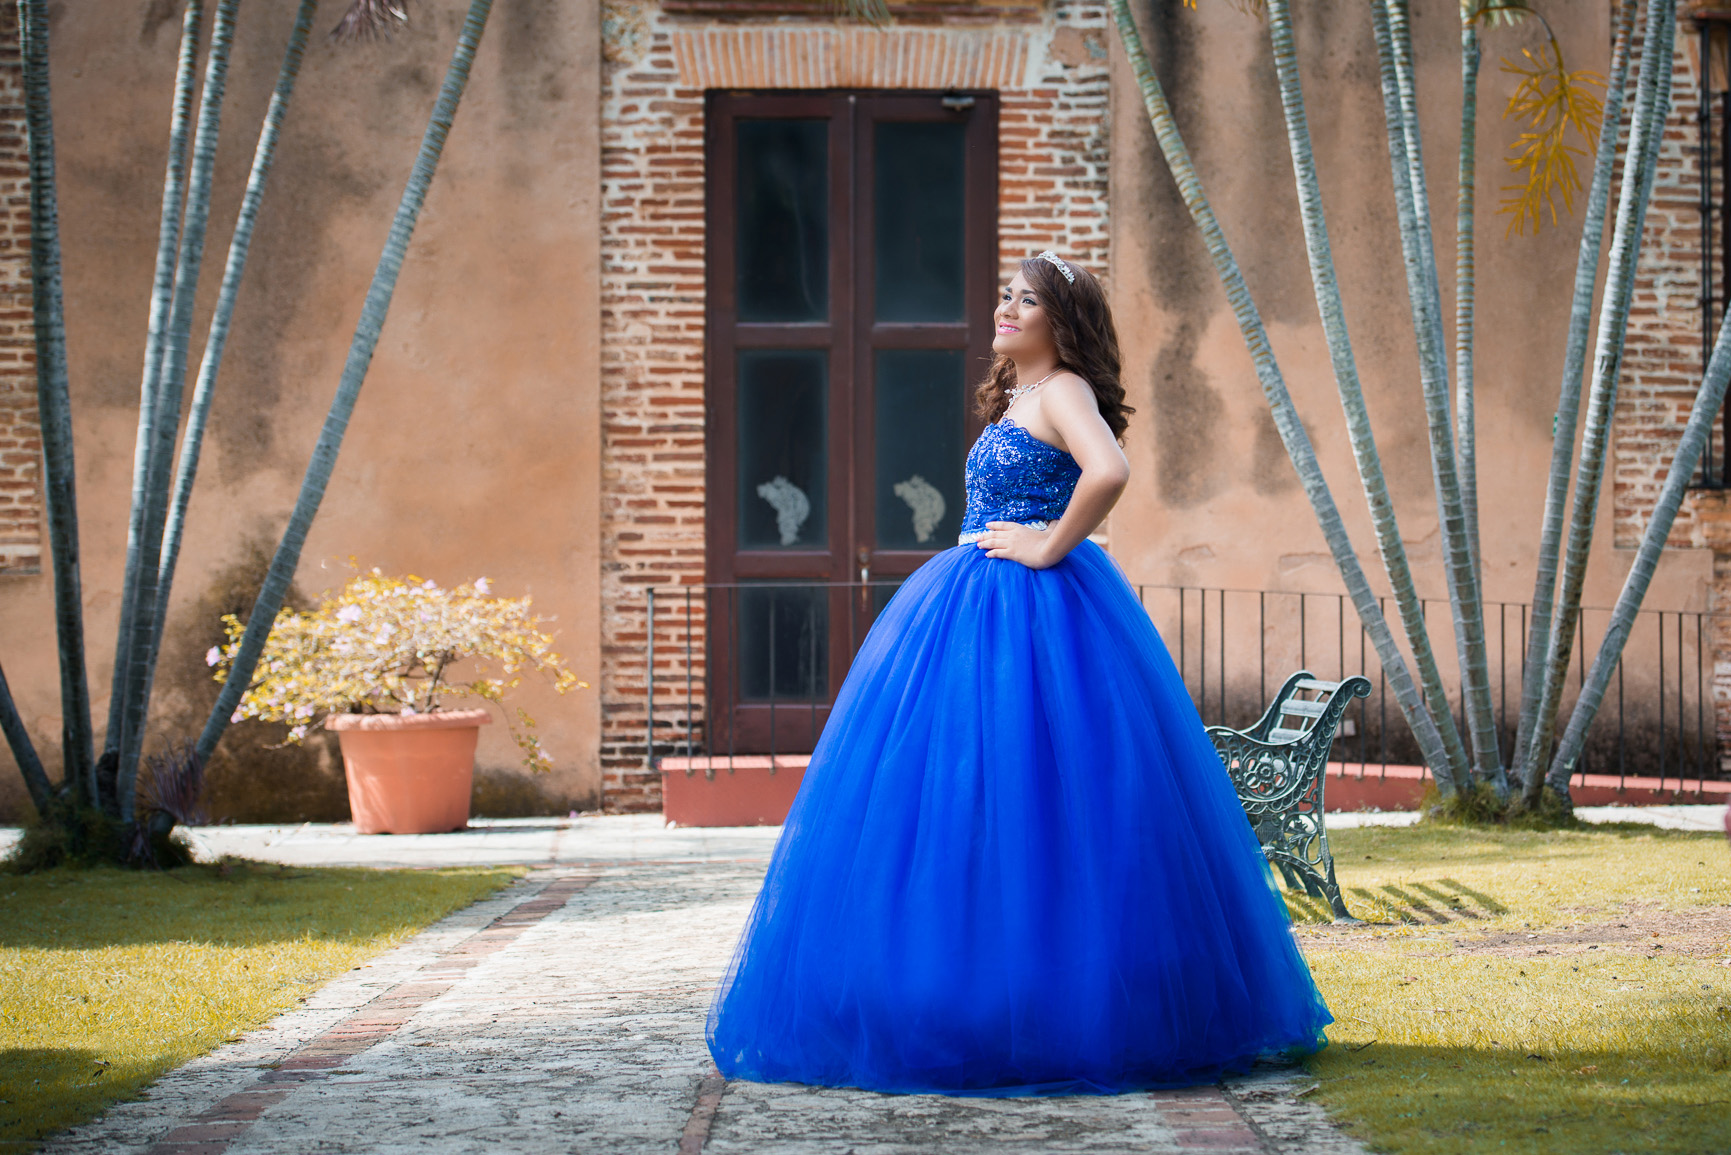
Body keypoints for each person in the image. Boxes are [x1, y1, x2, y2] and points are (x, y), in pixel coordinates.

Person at [707, 251, 1333, 1096]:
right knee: (962, 798)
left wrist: (1046, 543)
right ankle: (965, 986)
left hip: (1035, 614)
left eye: (1025, 300)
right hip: (973, 607)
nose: (1004, 309)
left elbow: (1108, 470)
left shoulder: (1065, 388)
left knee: (1041, 797)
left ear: (1059, 323)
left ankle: (1053, 1000)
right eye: (1005, 296)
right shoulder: (1015, 396)